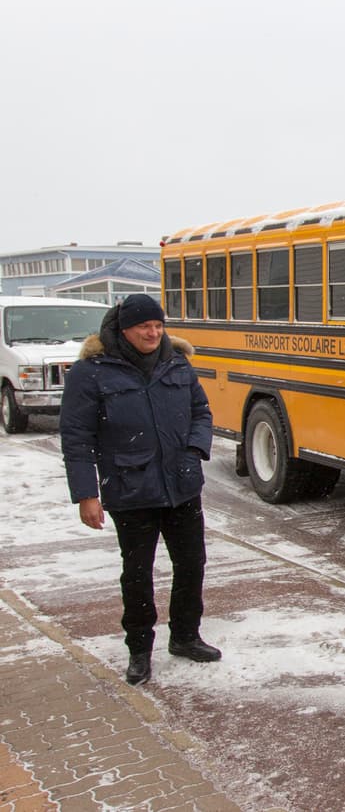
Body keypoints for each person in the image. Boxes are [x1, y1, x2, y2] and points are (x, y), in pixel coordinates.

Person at [60, 294, 220, 686]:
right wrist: (86, 494)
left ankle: (184, 636)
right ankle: (139, 649)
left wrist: (194, 449)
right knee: (137, 573)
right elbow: (76, 437)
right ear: (123, 329)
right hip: (130, 489)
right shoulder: (91, 372)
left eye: (158, 325)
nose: (153, 333)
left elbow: (201, 411)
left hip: (181, 485)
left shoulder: (177, 363)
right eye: (144, 327)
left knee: (191, 564)